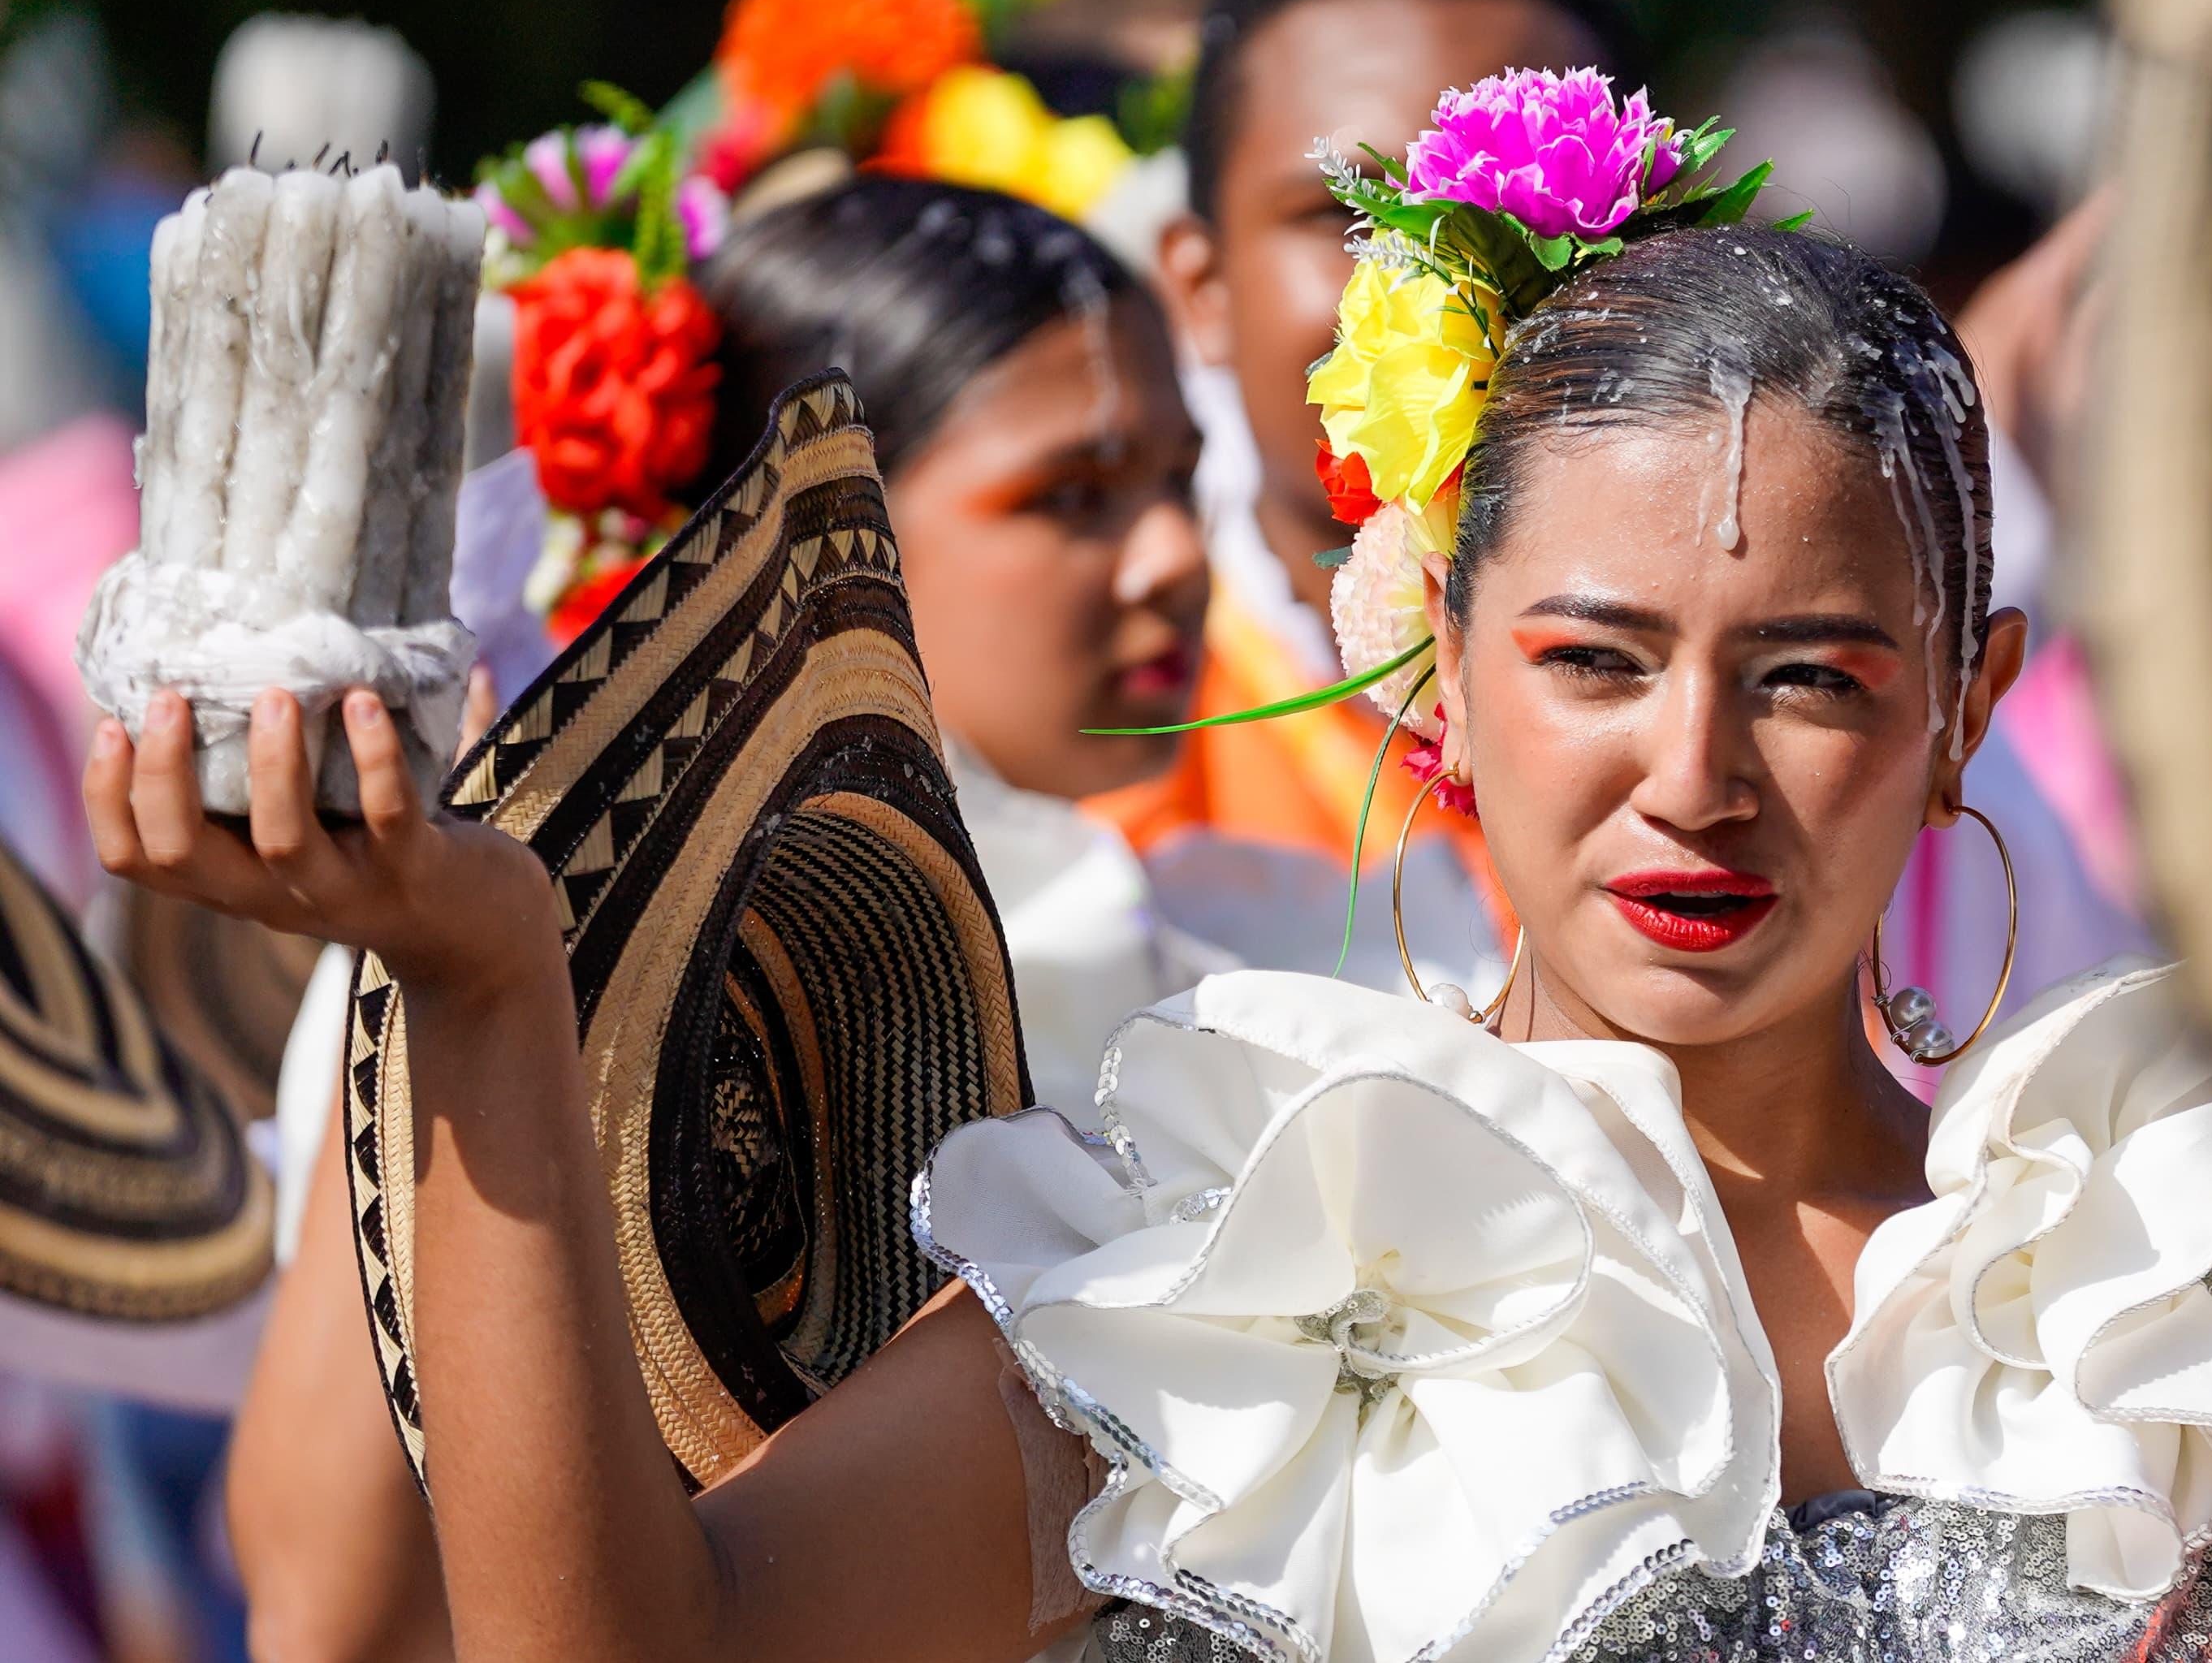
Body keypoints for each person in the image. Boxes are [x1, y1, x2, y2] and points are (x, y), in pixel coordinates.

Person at [100, 80, 2212, 1661]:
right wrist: (485, 997)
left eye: (1808, 670)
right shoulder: (1228, 1250)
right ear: (1433, 676)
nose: (1693, 769)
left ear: (1968, 713)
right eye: (1594, 654)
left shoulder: (2184, 1266)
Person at [222, 175, 1496, 1663]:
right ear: (810, 538)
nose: (1169, 560)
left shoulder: (1283, 936)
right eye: (1071, 494)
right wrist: (448, 984)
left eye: (1174, 478)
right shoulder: (528, 948)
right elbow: (329, 1616)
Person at [1132, 0, 1644, 871]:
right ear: (1201, 287)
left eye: (1517, 222)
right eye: (1350, 219)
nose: (1437, 291)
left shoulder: (1833, 722)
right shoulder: (1064, 705)